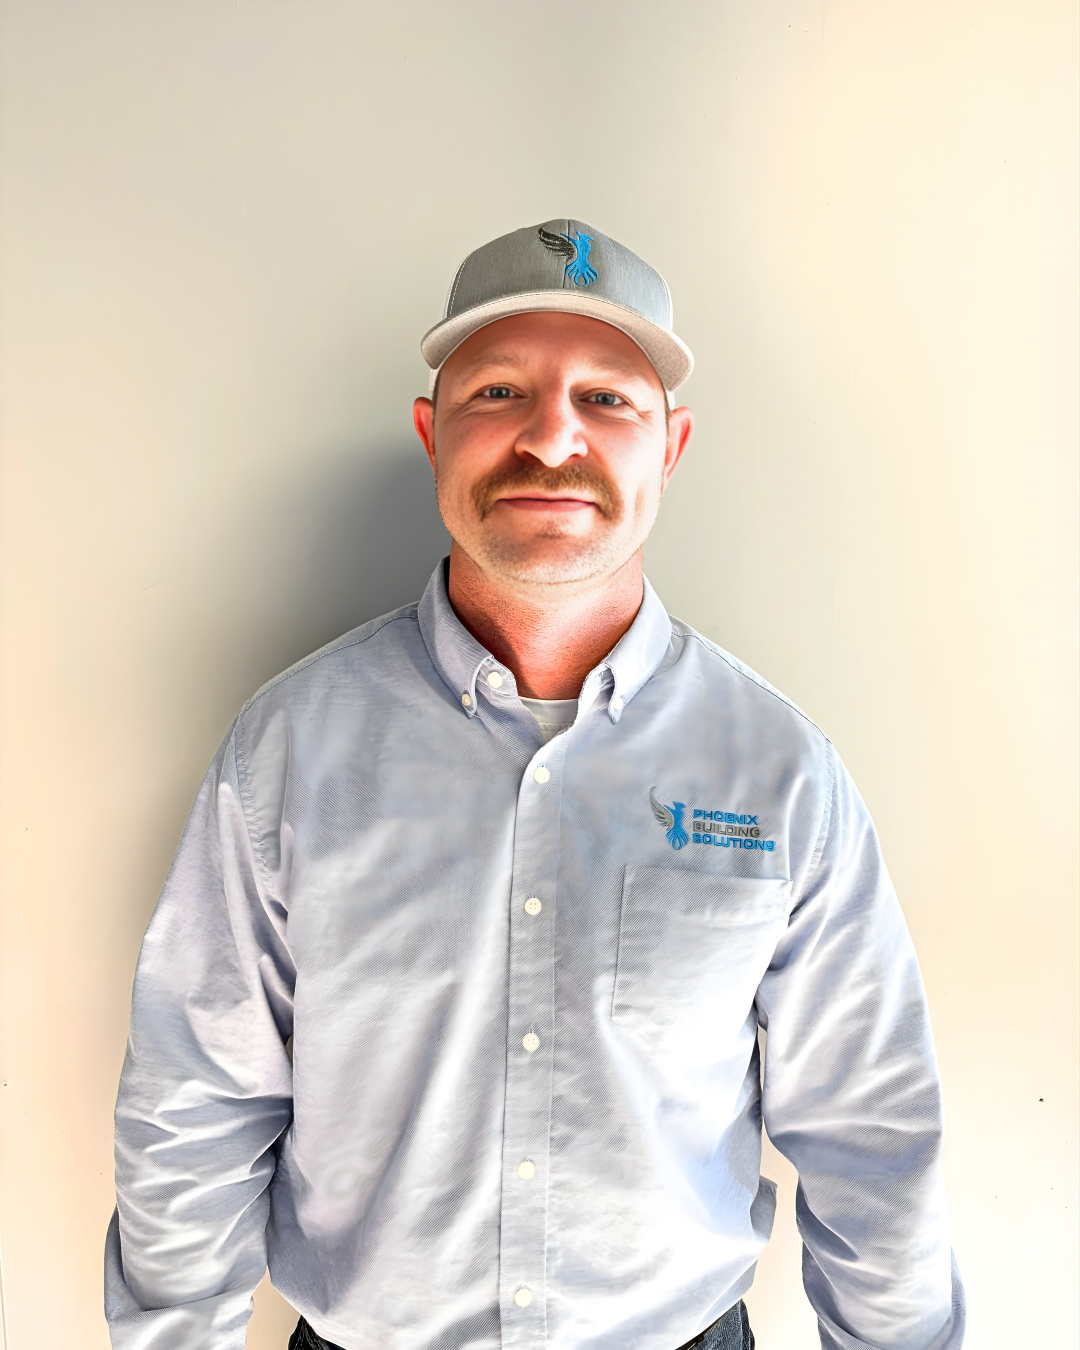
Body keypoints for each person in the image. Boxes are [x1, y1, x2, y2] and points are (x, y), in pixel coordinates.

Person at [105, 219, 965, 1350]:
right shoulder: (288, 752)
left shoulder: (779, 773)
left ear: (673, 446)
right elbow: (198, 1107)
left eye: (609, 398)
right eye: (500, 391)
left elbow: (871, 1136)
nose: (552, 436)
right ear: (432, 433)